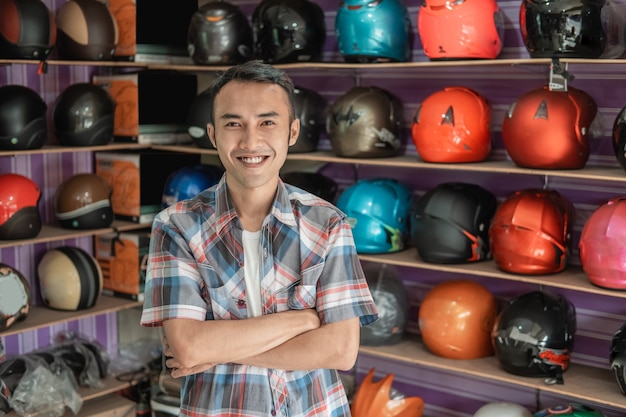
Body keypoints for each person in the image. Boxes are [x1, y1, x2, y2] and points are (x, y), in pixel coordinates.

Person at [140, 60, 378, 417]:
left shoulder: (327, 223)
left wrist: (216, 347)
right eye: (233, 123)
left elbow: (341, 350)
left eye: (267, 122)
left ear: (292, 132)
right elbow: (188, 348)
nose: (250, 141)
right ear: (213, 134)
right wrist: (304, 321)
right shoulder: (176, 226)